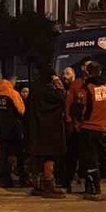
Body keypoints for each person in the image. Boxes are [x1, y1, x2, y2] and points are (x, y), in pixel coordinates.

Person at [73, 61, 106, 201]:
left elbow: (79, 109)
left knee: (91, 160)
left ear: (87, 72)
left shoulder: (87, 89)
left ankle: (94, 190)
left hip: (89, 128)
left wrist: (77, 122)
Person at [27, 63, 67, 199]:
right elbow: (62, 97)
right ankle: (48, 185)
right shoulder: (50, 91)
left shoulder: (35, 89)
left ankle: (38, 185)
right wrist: (58, 84)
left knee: (38, 157)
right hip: (50, 129)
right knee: (50, 157)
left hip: (36, 127)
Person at [0, 75, 28, 188]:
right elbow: (21, 110)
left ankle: (5, 179)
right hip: (14, 129)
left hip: (1, 128)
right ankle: (22, 178)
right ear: (12, 81)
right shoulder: (12, 93)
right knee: (19, 154)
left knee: (4, 154)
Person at [60, 66, 84, 192]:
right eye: (64, 73)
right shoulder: (63, 89)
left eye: (68, 73)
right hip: (69, 126)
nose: (65, 76)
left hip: (77, 126)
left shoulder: (77, 87)